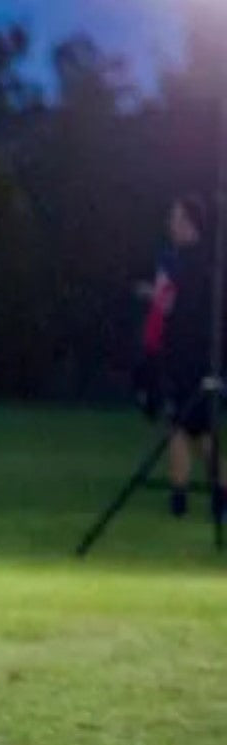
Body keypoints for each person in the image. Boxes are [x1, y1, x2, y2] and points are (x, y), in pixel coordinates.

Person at [136, 195, 226, 518]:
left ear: (189, 223)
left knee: (179, 426)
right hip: (197, 356)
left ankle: (180, 498)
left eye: (175, 218)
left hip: (186, 357)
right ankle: (215, 495)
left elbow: (178, 306)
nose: (170, 224)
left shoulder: (186, 264)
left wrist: (154, 295)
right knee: (200, 431)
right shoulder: (203, 262)